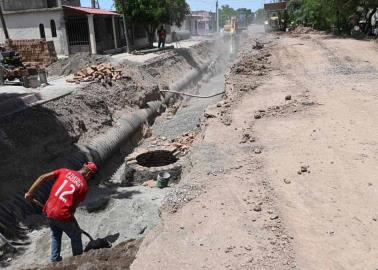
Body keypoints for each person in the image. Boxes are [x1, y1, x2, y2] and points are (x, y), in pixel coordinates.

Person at [25, 162, 98, 263]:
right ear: (89, 173)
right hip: (62, 214)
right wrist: (72, 223)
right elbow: (72, 209)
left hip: (48, 210)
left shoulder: (64, 171)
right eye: (91, 177)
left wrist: (30, 193)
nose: (89, 179)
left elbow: (42, 177)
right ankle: (78, 261)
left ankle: (55, 260)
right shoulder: (84, 187)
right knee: (76, 235)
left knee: (56, 234)